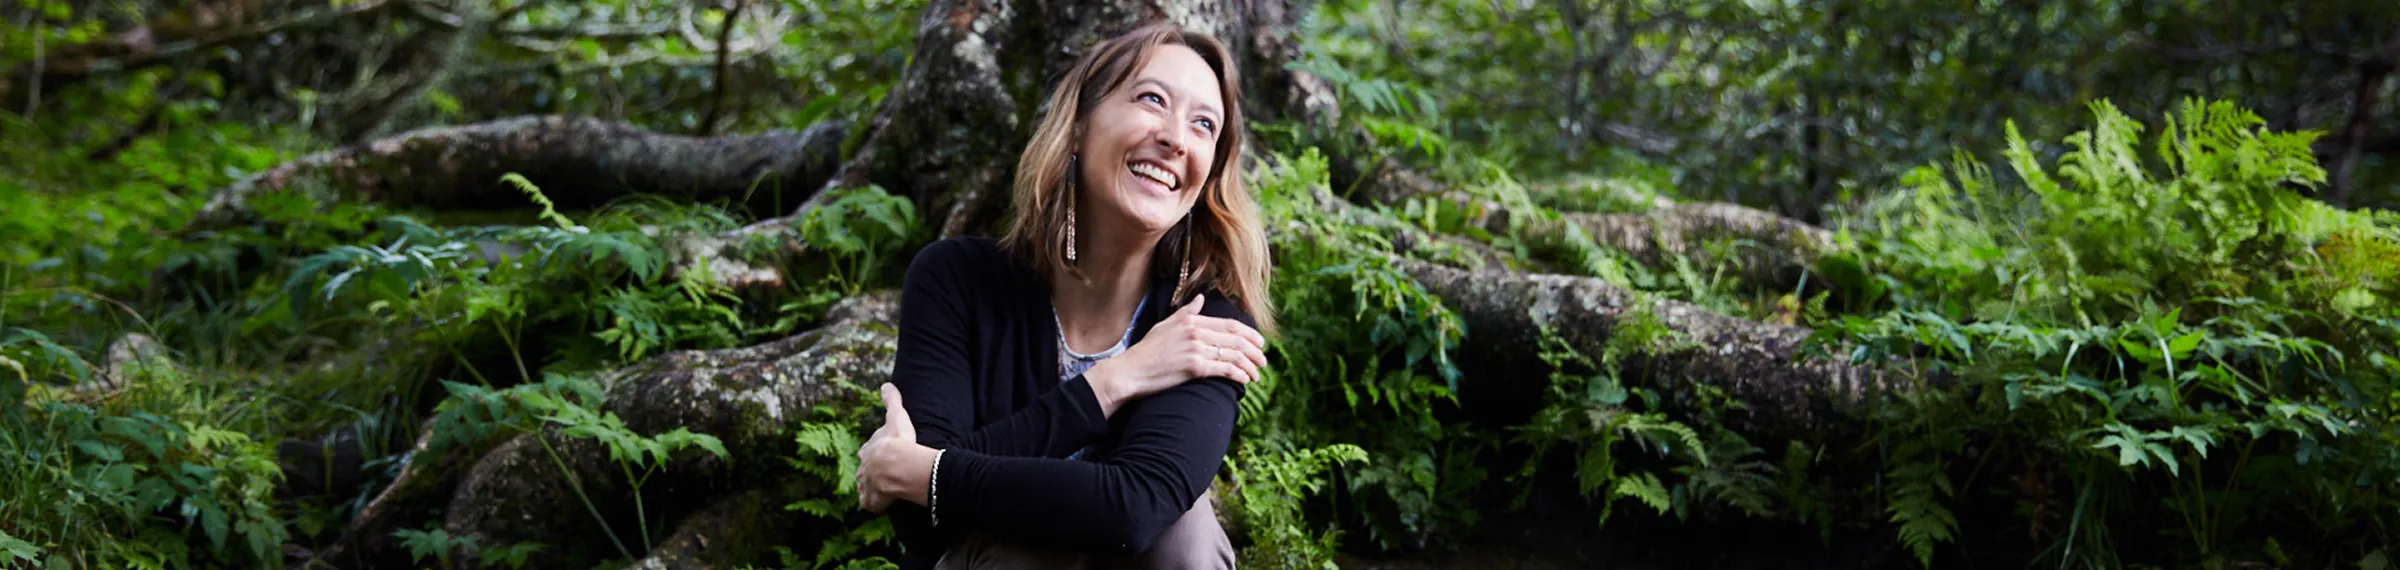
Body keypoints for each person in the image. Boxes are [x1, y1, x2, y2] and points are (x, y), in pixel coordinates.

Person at [850, 22, 1276, 570]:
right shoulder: (956, 279)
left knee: (1184, 536)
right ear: (1079, 125)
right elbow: (921, 522)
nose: (1175, 138)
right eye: (1152, 99)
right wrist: (1115, 382)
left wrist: (932, 472)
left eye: (1203, 125)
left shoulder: (1204, 321)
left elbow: (1134, 510)